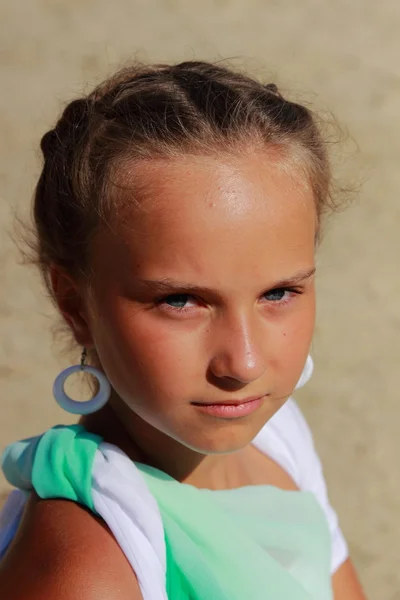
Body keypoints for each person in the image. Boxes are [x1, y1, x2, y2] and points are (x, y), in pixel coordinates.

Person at [0, 60, 366, 599]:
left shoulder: (279, 436)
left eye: (279, 293)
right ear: (75, 304)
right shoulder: (86, 570)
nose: (243, 364)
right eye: (180, 300)